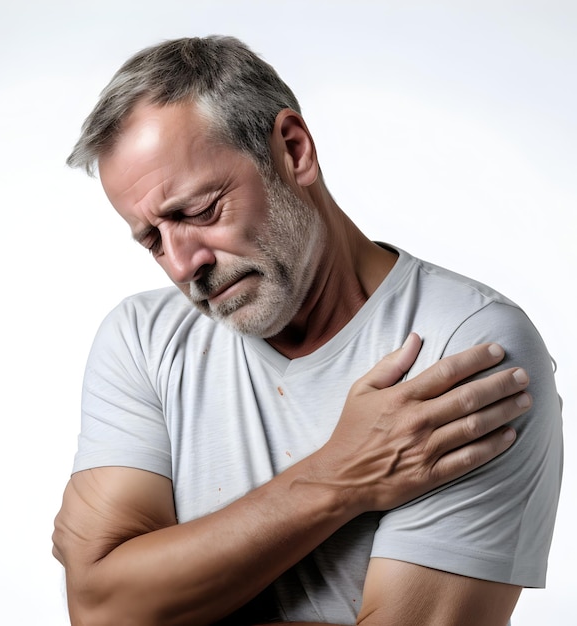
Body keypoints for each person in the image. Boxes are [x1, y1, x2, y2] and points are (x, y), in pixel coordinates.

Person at [52, 36, 562, 626]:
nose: (182, 264)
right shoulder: (143, 339)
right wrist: (341, 475)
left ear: (293, 151)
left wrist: (161, 594)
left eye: (197, 211)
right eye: (151, 239)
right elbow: (101, 610)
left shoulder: (465, 346)